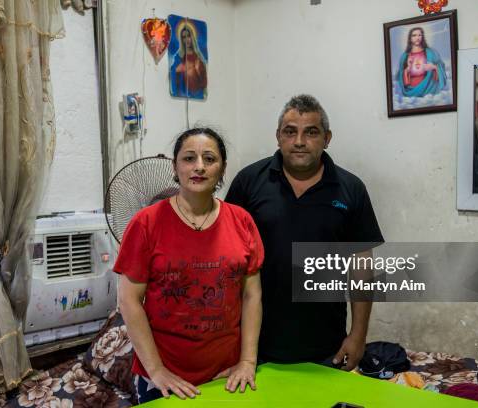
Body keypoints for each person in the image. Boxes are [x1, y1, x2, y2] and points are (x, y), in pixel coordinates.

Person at [225, 95, 384, 371]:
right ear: (278, 137)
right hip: (253, 347)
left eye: (311, 132)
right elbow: (225, 259)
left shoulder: (350, 188)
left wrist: (358, 336)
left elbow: (361, 268)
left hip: (326, 346)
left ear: (327, 138)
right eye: (290, 132)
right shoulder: (249, 182)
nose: (299, 141)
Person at [115, 128, 264, 403]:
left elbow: (251, 295)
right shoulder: (146, 223)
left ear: (223, 168)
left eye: (209, 159)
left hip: (227, 374)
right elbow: (128, 300)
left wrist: (248, 362)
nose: (199, 167)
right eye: (189, 158)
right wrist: (157, 370)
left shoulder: (242, 221)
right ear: (175, 166)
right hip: (163, 377)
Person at [397, 27, 447, 97]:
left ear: (422, 37)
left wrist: (433, 67)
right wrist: (407, 70)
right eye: (414, 35)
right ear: (410, 38)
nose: (417, 37)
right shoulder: (405, 56)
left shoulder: (430, 52)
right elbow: (399, 77)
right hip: (410, 91)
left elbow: (441, 67)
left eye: (419, 35)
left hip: (428, 89)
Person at [170, 24, 207, 99]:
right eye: (184, 37)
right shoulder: (179, 56)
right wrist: (177, 70)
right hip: (184, 93)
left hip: (198, 93)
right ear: (181, 39)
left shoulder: (199, 56)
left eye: (188, 36)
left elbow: (204, 78)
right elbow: (172, 72)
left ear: (192, 37)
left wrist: (198, 69)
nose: (187, 39)